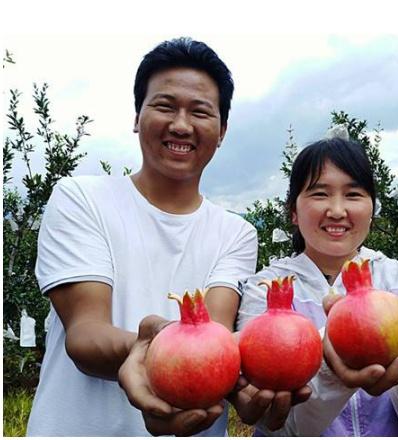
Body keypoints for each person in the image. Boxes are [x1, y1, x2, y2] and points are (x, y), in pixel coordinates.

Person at [26, 37, 262, 437]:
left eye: (200, 112)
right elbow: (85, 333)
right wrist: (152, 348)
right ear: (138, 116)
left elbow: (215, 339)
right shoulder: (80, 199)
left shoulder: (236, 234)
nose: (181, 125)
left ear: (221, 131)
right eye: (165, 106)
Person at [236, 133, 398, 436]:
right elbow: (277, 424)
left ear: (372, 208)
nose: (337, 210)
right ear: (293, 212)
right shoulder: (266, 289)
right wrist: (329, 365)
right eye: (320, 194)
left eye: (353, 194)